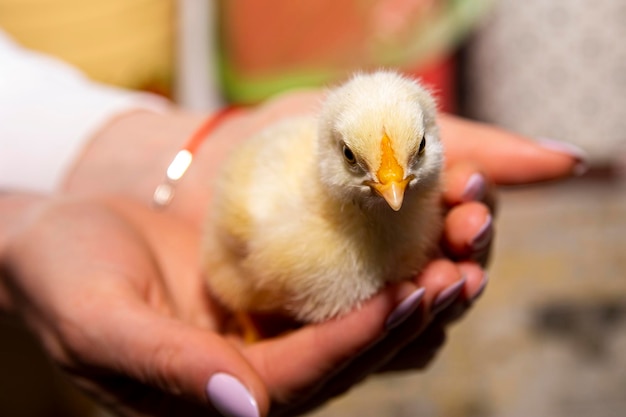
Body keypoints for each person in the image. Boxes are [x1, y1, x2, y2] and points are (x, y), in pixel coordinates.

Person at [0, 28, 586, 417]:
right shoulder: (268, 204)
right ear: (330, 148)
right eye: (360, 162)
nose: (393, 188)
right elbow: (225, 257)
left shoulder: (418, 201)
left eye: (412, 160)